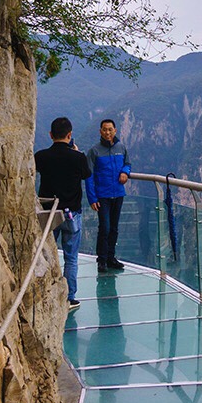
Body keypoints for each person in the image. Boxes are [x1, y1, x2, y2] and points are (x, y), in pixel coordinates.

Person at [35, 116, 91, 307]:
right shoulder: (78, 158)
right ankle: (69, 297)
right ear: (70, 135)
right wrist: (76, 152)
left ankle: (46, 291)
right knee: (71, 257)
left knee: (45, 251)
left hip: (48, 212)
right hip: (71, 213)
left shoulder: (41, 156)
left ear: (50, 135)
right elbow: (86, 174)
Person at [85, 118, 132, 272]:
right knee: (104, 228)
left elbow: (128, 163)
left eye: (110, 129)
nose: (107, 132)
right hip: (102, 196)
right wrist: (92, 198)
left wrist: (125, 172)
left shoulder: (121, 148)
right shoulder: (94, 151)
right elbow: (88, 176)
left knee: (114, 228)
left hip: (118, 193)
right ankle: (102, 259)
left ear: (115, 130)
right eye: (104, 129)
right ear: (100, 131)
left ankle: (111, 258)